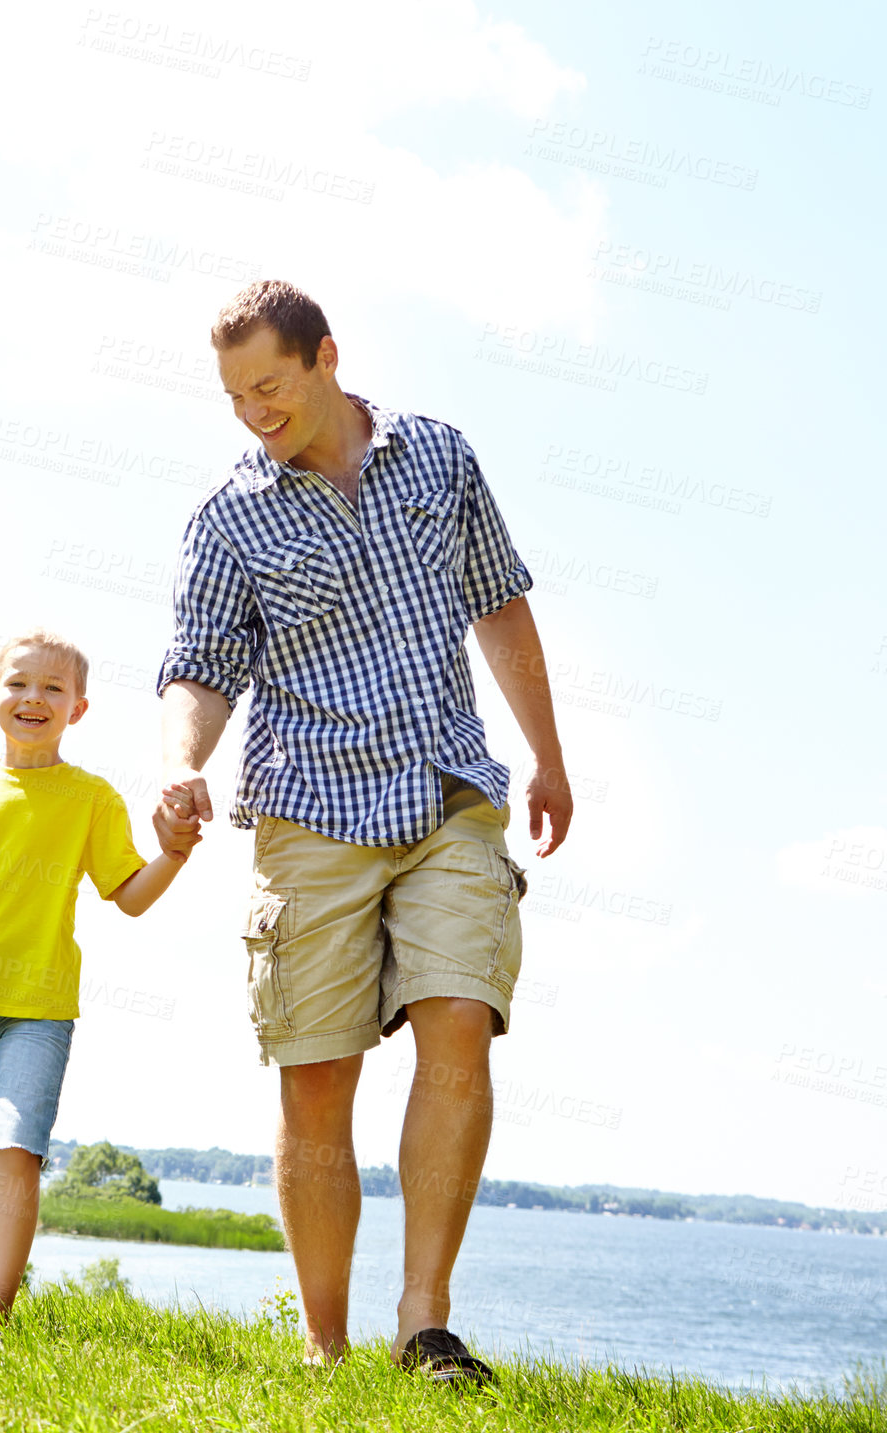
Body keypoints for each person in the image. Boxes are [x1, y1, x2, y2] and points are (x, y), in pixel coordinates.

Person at [154, 281, 573, 1383]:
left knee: (458, 1020)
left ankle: (424, 1321)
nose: (253, 409)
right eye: (235, 394)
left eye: (271, 385)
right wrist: (179, 764)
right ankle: (325, 1346)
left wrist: (549, 752)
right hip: (311, 808)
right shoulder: (230, 514)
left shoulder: (436, 457)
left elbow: (501, 601)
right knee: (316, 1078)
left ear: (326, 357)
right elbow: (200, 666)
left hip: (447, 791)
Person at [0, 629, 188, 1326]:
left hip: (39, 1011)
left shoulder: (92, 798)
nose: (34, 697)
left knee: (15, 1148)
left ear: (78, 709)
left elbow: (130, 894)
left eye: (54, 687)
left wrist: (172, 854)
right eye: (19, 683)